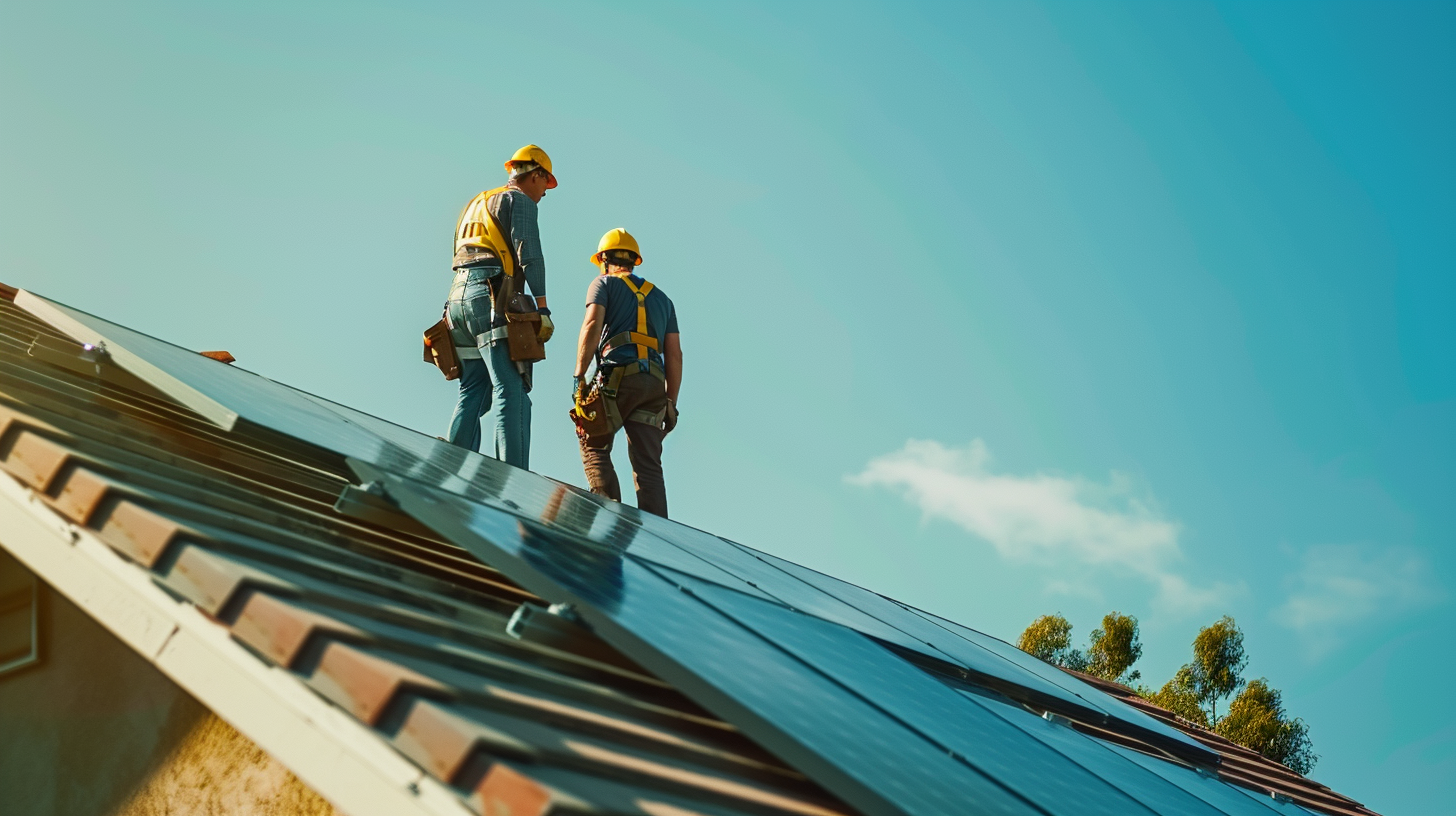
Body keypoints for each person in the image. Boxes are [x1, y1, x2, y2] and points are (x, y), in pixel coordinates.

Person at [445, 145, 558, 467]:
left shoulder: (474, 204)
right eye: (545, 183)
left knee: (473, 390)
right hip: (491, 296)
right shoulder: (517, 200)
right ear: (534, 175)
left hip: (457, 302)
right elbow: (530, 253)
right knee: (513, 391)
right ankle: (514, 478)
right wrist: (543, 308)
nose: (544, 193)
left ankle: (451, 465)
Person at [570, 229, 681, 517]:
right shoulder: (663, 300)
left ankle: (610, 516)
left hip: (618, 377)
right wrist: (671, 401)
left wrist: (579, 375)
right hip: (654, 385)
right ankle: (658, 534)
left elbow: (592, 324)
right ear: (634, 261)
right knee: (648, 466)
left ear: (604, 259)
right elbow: (674, 354)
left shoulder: (602, 283)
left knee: (592, 441)